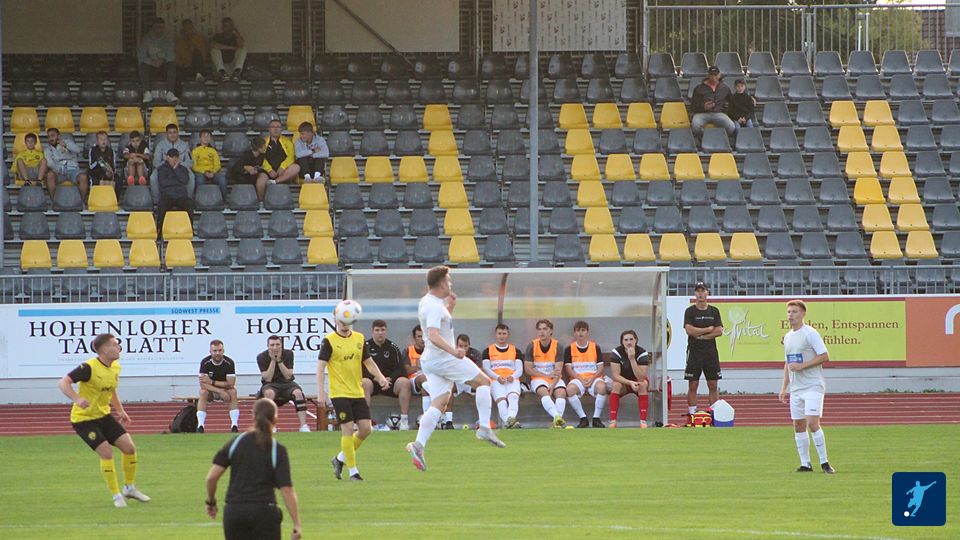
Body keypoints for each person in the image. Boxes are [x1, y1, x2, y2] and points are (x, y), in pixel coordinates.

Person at [406, 266, 504, 471]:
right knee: (484, 382)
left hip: (431, 360)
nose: (450, 284)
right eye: (448, 280)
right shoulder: (434, 306)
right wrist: (454, 351)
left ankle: (418, 445)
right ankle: (484, 428)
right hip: (443, 359)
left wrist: (450, 307)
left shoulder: (429, 302)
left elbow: (439, 328)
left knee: (440, 403)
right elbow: (433, 335)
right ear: (442, 284)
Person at [57, 333, 150, 508]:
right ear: (105, 349)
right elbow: (63, 382)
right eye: (115, 344)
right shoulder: (88, 368)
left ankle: (129, 488)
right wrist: (77, 398)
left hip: (104, 416)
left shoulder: (115, 366)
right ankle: (116, 495)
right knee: (106, 452)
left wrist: (120, 410)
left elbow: (111, 389)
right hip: (84, 419)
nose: (119, 347)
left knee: (129, 448)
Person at [205, 398, 302, 540]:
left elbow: (211, 478)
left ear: (253, 417)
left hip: (235, 512)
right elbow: (286, 489)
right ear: (275, 419)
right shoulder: (277, 449)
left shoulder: (236, 443)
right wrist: (297, 523)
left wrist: (211, 502)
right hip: (264, 512)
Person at [317, 314, 390, 481]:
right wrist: (321, 391)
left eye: (347, 321)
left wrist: (380, 377)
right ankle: (353, 472)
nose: (344, 325)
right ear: (335, 320)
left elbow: (368, 362)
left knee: (366, 429)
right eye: (341, 321)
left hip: (357, 392)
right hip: (339, 393)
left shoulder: (359, 338)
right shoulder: (329, 341)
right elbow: (320, 368)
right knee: (348, 429)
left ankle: (339, 459)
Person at [778, 299, 835, 474]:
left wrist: (802, 366)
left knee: (812, 422)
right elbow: (788, 364)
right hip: (796, 388)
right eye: (789, 312)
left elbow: (824, 356)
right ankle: (805, 464)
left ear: (803, 314)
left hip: (812, 385)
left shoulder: (810, 333)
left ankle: (825, 462)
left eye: (794, 312)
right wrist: (784, 387)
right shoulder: (788, 337)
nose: (791, 315)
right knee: (798, 425)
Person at [683, 282, 723, 425]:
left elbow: (719, 331)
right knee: (693, 384)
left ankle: (714, 415)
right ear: (695, 294)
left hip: (710, 352)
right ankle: (692, 414)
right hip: (694, 352)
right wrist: (707, 330)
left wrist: (702, 336)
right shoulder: (690, 311)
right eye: (698, 291)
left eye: (703, 291)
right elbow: (689, 330)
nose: (700, 294)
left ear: (707, 293)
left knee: (713, 384)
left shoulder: (714, 311)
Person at [361, 320, 412, 430]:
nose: (380, 333)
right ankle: (365, 421)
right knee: (364, 382)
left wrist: (390, 378)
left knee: (405, 382)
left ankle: (404, 421)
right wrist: (377, 378)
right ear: (372, 331)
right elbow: (361, 369)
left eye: (382, 330)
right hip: (373, 383)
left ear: (386, 331)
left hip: (390, 383)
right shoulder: (366, 347)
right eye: (377, 330)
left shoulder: (392, 347)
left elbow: (400, 369)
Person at [257, 335, 311, 432]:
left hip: (287, 383)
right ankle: (270, 425)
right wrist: (273, 360)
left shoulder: (288, 354)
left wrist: (279, 360)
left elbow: (288, 376)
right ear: (268, 346)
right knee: (269, 393)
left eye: (277, 344)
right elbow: (268, 378)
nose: (275, 347)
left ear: (281, 345)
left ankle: (303, 425)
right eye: (272, 345)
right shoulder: (261, 357)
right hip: (271, 384)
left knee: (298, 393)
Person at [563, 320, 609, 428]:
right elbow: (569, 369)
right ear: (574, 333)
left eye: (583, 330)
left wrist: (592, 379)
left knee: (602, 387)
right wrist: (580, 379)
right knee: (570, 390)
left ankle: (596, 418)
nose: (580, 333)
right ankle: (583, 418)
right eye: (578, 330)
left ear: (587, 332)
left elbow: (600, 367)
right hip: (578, 379)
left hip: (594, 378)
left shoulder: (595, 347)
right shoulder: (569, 349)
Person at [524, 319, 567, 428]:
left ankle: (557, 422)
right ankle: (557, 417)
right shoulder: (532, 345)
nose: (542, 332)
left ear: (551, 331)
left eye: (545, 329)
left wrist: (553, 385)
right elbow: (528, 369)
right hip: (537, 378)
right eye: (539, 329)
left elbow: (558, 370)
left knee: (561, 392)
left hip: (554, 379)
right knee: (543, 391)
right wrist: (546, 376)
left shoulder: (558, 346)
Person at [481, 324, 524, 429]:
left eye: (504, 333)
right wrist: (497, 377)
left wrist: (512, 376)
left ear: (508, 335)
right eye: (499, 333)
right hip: (495, 380)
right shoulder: (487, 351)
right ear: (495, 335)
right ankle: (509, 421)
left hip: (512, 380)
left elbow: (519, 369)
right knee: (502, 402)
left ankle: (510, 420)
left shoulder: (515, 350)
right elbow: (486, 369)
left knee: (513, 397)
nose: (502, 336)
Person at [609, 329, 650, 429]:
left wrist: (632, 359)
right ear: (622, 342)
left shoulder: (642, 353)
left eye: (631, 339)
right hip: (624, 381)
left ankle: (643, 421)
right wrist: (629, 382)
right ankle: (613, 421)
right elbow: (616, 375)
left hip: (638, 381)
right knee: (616, 385)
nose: (629, 342)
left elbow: (641, 377)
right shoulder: (616, 352)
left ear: (636, 340)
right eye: (626, 340)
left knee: (643, 384)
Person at [197, 339, 240, 434]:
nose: (217, 353)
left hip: (225, 390)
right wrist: (219, 391)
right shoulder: (205, 362)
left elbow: (231, 383)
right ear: (210, 351)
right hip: (212, 391)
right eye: (215, 351)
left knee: (233, 391)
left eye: (220, 350)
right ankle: (200, 425)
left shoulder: (229, 362)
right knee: (203, 392)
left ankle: (234, 425)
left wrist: (211, 382)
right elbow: (203, 384)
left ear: (223, 351)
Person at [256, 120, 301, 201]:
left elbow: (291, 157)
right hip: (268, 171)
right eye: (273, 127)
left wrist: (282, 167)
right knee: (260, 181)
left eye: (278, 127)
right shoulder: (263, 142)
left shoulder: (288, 141)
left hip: (283, 172)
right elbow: (261, 158)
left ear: (281, 129)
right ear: (269, 129)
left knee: (296, 167)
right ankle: (261, 202)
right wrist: (269, 170)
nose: (275, 129)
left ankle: (276, 181)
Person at [154, 148, 194, 235]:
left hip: (181, 196)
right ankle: (159, 230)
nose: (174, 159)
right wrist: (177, 181)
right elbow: (163, 183)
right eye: (172, 157)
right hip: (167, 195)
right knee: (162, 205)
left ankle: (190, 228)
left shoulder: (183, 169)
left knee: (189, 203)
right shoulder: (161, 169)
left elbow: (185, 180)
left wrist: (176, 170)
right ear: (167, 157)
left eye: (176, 157)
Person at [138, 17, 178, 103]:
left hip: (163, 65)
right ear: (153, 27)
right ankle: (147, 93)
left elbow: (171, 56)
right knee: (142, 66)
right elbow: (141, 56)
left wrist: (162, 60)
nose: (161, 30)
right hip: (150, 65)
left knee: (172, 65)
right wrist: (151, 62)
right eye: (158, 27)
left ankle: (170, 93)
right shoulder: (146, 39)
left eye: (162, 27)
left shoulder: (168, 39)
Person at [150, 124, 193, 202]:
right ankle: (156, 201)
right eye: (170, 133)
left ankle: (188, 199)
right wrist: (168, 164)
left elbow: (190, 162)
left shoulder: (184, 145)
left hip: (181, 167)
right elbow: (155, 162)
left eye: (174, 132)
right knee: (153, 177)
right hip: (164, 168)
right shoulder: (160, 145)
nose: (172, 135)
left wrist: (178, 164)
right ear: (166, 134)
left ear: (178, 133)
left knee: (192, 177)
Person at [44, 127, 89, 199]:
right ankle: (54, 200)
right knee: (50, 176)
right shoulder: (47, 150)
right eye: (49, 136)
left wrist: (65, 145)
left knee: (83, 177)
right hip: (59, 172)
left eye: (53, 136)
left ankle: (81, 201)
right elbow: (50, 164)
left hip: (73, 170)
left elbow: (78, 150)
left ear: (58, 136)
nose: (51, 138)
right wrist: (58, 169)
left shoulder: (67, 142)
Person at [690, 66, 736, 136]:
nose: (713, 77)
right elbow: (693, 106)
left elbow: (733, 100)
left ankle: (716, 138)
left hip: (718, 113)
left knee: (731, 127)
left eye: (715, 75)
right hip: (702, 113)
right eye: (711, 75)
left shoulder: (724, 88)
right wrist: (703, 107)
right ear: (708, 75)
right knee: (695, 126)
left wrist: (750, 99)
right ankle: (707, 137)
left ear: (719, 75)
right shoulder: (699, 88)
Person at [402, 325, 431, 420]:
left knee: (425, 387)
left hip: (428, 381)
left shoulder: (431, 351)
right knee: (423, 379)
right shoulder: (408, 351)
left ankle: (427, 416)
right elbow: (406, 371)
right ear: (414, 338)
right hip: (413, 381)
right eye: (419, 336)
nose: (422, 339)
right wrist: (418, 367)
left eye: (424, 336)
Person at [192, 129, 227, 199]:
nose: (206, 138)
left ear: (210, 138)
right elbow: (194, 166)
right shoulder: (195, 151)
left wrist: (213, 172)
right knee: (199, 181)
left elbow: (217, 165)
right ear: (200, 138)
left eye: (208, 136)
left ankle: (222, 199)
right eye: (204, 136)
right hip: (200, 172)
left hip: (212, 172)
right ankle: (199, 199)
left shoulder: (213, 151)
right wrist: (204, 172)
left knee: (222, 179)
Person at [175, 18, 206, 83]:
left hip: (196, 67)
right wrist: (184, 64)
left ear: (193, 28)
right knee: (176, 72)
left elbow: (202, 56)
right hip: (185, 67)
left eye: (190, 28)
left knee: (196, 51)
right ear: (182, 30)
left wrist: (191, 43)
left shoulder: (199, 39)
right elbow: (177, 58)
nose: (188, 31)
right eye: (186, 29)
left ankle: (198, 75)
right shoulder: (179, 42)